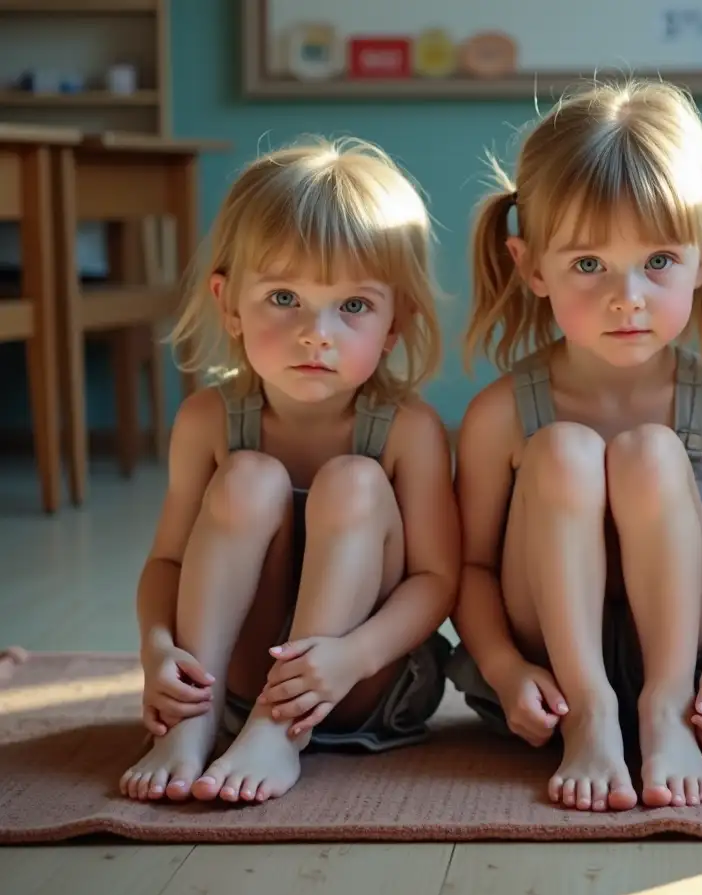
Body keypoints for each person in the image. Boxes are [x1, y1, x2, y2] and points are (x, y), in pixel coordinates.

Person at [448, 79, 702, 812]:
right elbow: (469, 568)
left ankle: (660, 711)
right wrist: (505, 672)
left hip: (683, 663)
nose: (626, 295)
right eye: (588, 264)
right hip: (551, 676)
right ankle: (595, 714)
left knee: (652, 453)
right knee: (564, 451)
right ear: (531, 266)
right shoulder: (500, 413)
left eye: (659, 260)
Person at [119, 138, 460, 804]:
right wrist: (158, 651)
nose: (316, 333)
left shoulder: (408, 430)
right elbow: (166, 563)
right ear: (229, 304)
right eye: (284, 297)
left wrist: (352, 657)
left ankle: (281, 733)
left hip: (363, 685)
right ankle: (192, 725)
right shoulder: (206, 421)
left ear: (395, 324)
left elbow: (437, 581)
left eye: (354, 306)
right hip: (234, 682)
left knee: (353, 480)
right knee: (249, 475)